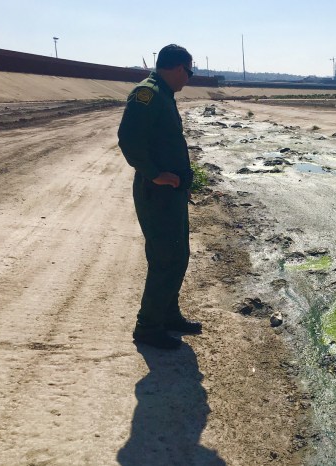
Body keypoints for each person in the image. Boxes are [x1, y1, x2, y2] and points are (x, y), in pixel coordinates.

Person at [118, 44, 202, 349]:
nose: (189, 78)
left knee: (178, 254)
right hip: (157, 192)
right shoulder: (148, 94)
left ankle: (168, 314)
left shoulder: (164, 94)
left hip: (171, 193)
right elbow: (128, 139)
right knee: (165, 258)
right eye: (189, 71)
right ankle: (148, 327)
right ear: (178, 67)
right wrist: (155, 174)